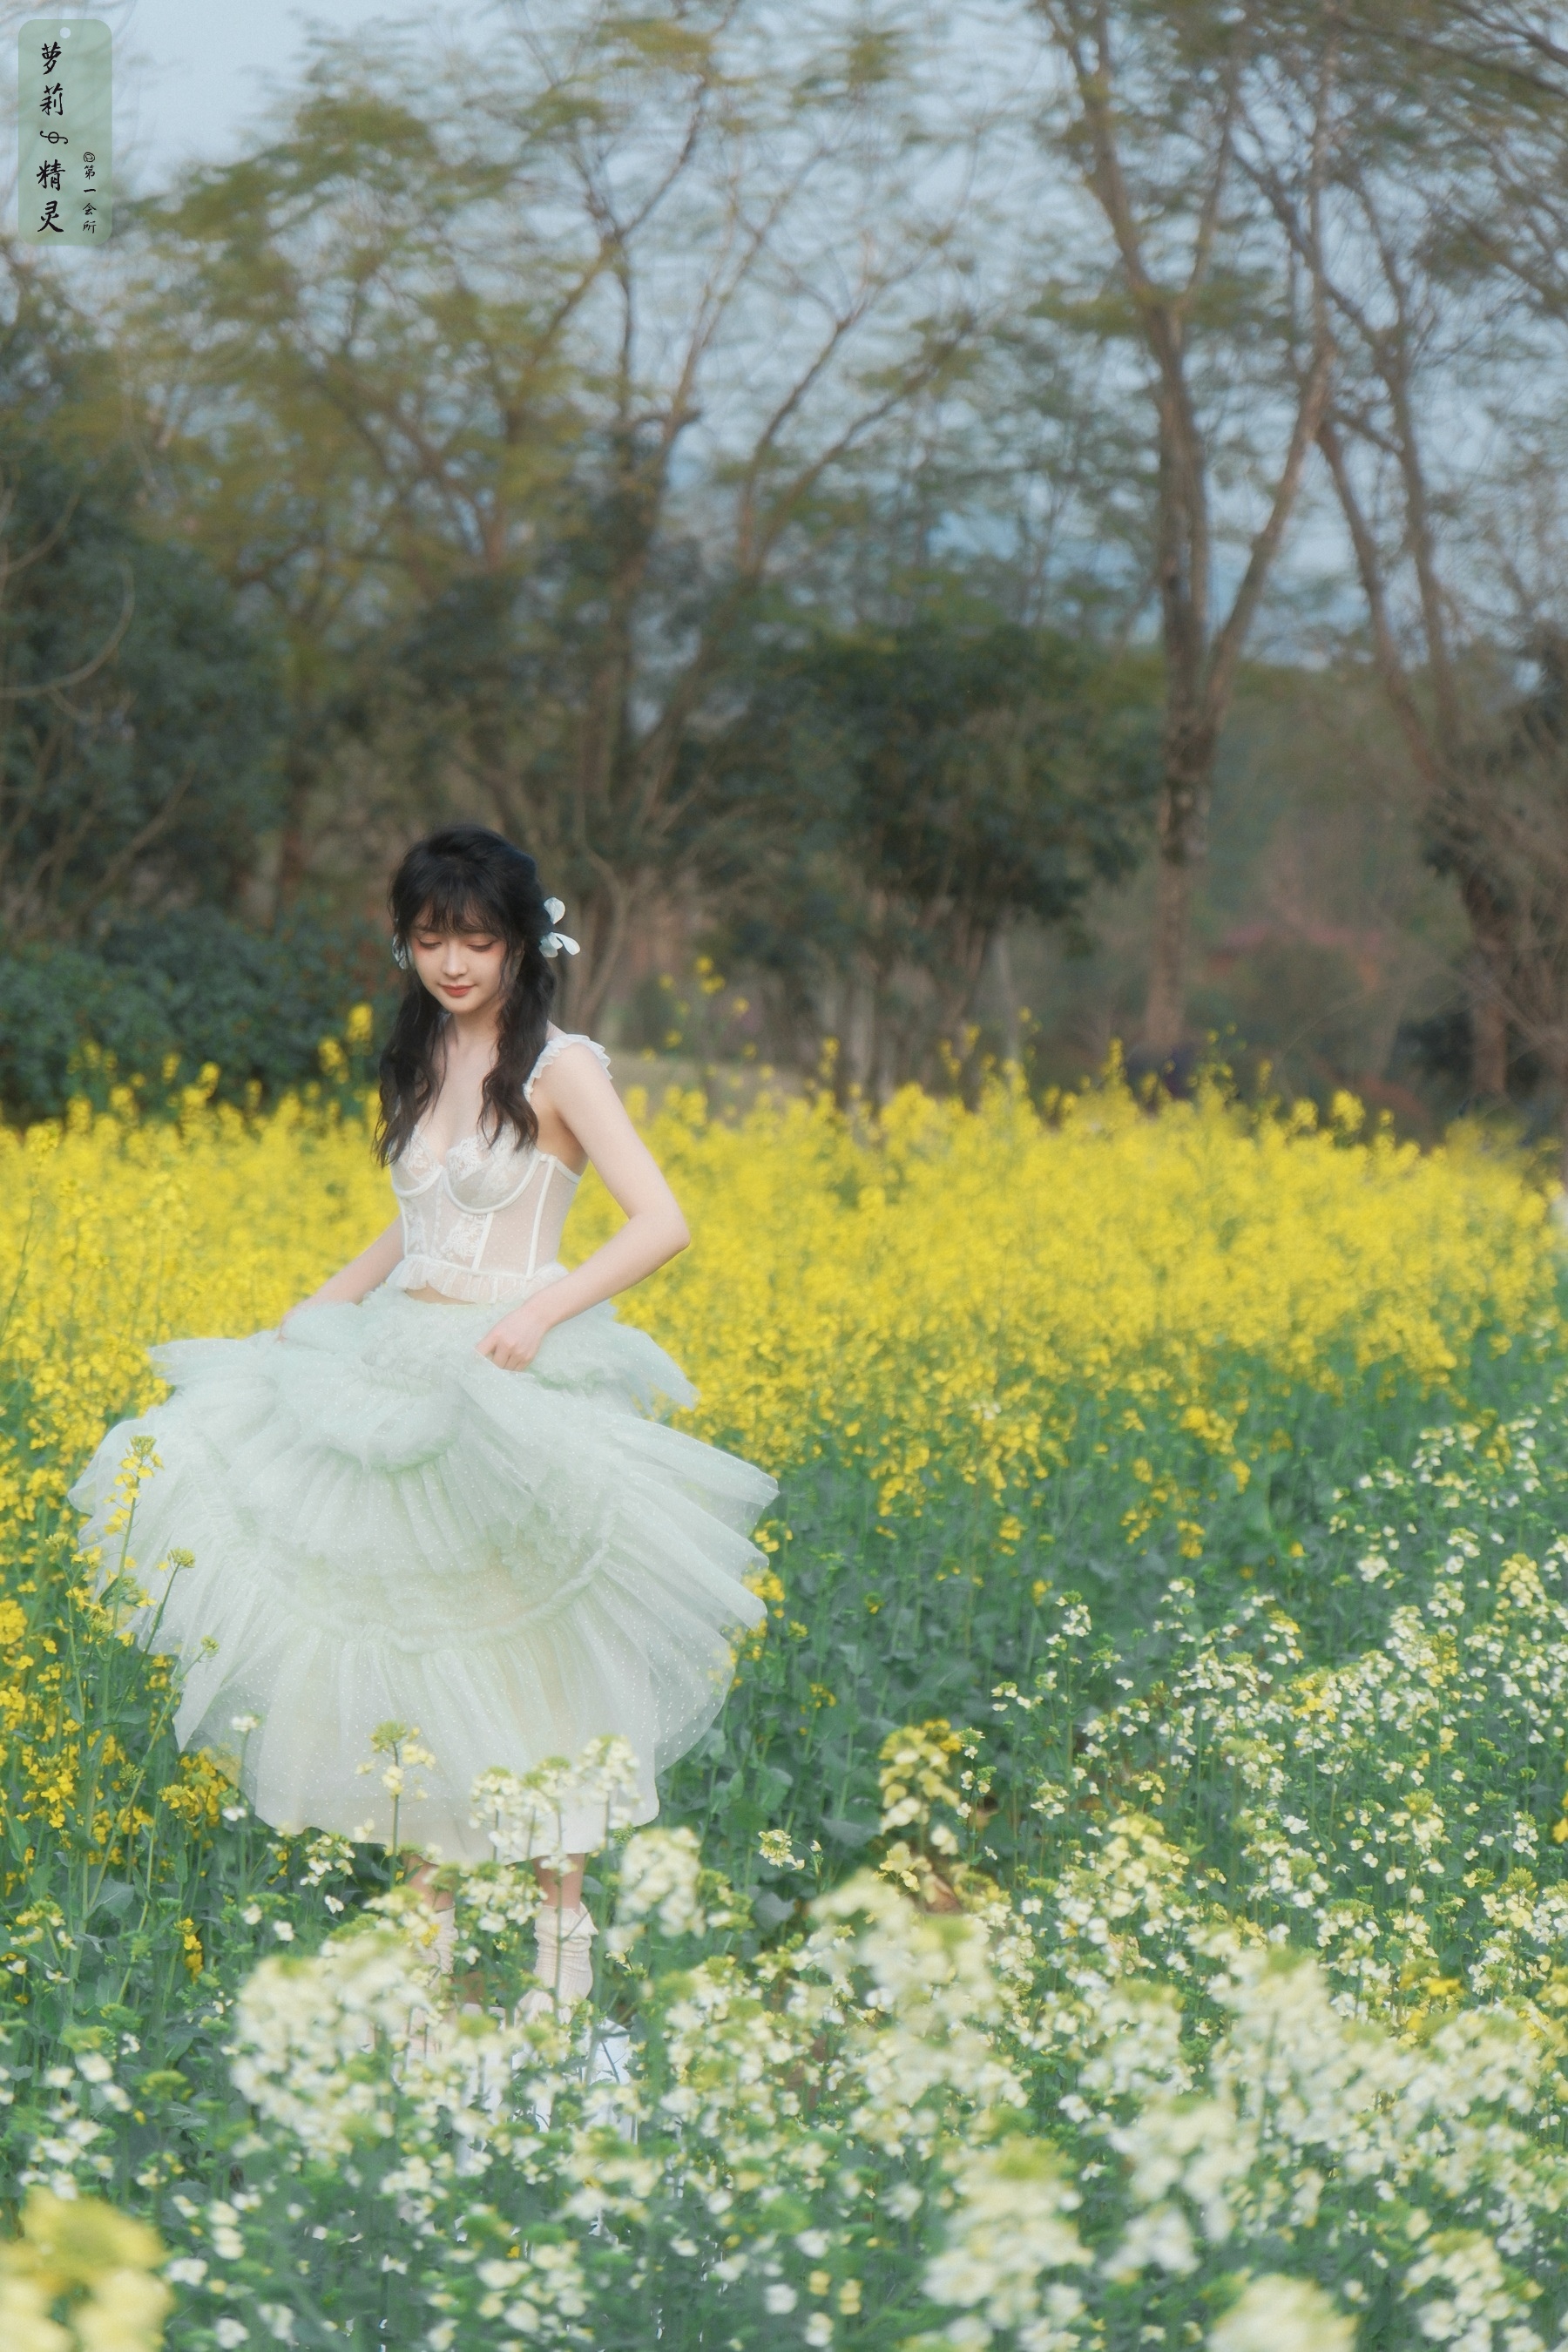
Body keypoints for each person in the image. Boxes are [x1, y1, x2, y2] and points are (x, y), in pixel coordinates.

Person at [71, 826, 774, 2004]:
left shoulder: (562, 1067)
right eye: (432, 938)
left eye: (477, 941)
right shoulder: (422, 1053)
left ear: (520, 947)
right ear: (406, 941)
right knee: (411, 1653)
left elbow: (662, 1222)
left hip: (509, 1381)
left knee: (536, 1660)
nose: (452, 963)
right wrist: (320, 1309)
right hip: (397, 1367)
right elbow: (420, 1223)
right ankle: (426, 1982)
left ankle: (561, 1968)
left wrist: (543, 1312)